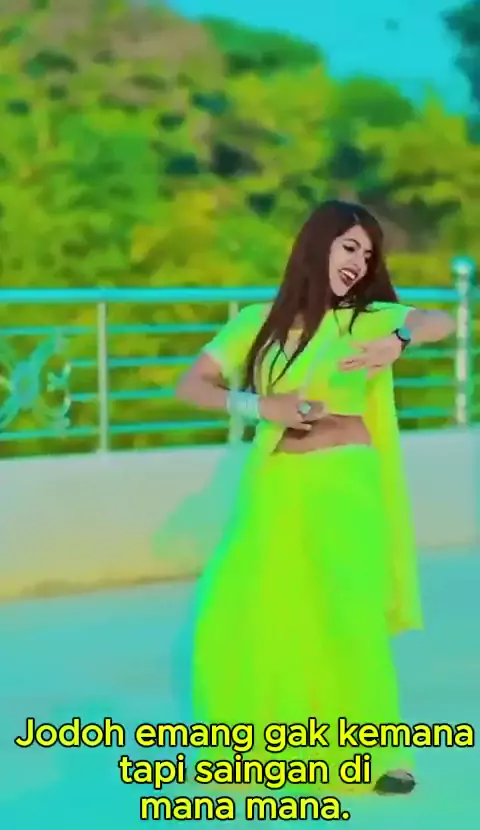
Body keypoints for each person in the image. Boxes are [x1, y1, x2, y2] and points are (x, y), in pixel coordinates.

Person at [172, 200, 455, 796]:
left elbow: (442, 320)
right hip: (276, 482)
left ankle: (381, 755)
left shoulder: (367, 320)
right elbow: (191, 385)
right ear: (317, 245)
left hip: (343, 479)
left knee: (348, 610)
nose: (359, 262)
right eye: (349, 247)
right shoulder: (258, 323)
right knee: (242, 605)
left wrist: (400, 339)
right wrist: (260, 405)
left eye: (368, 254)